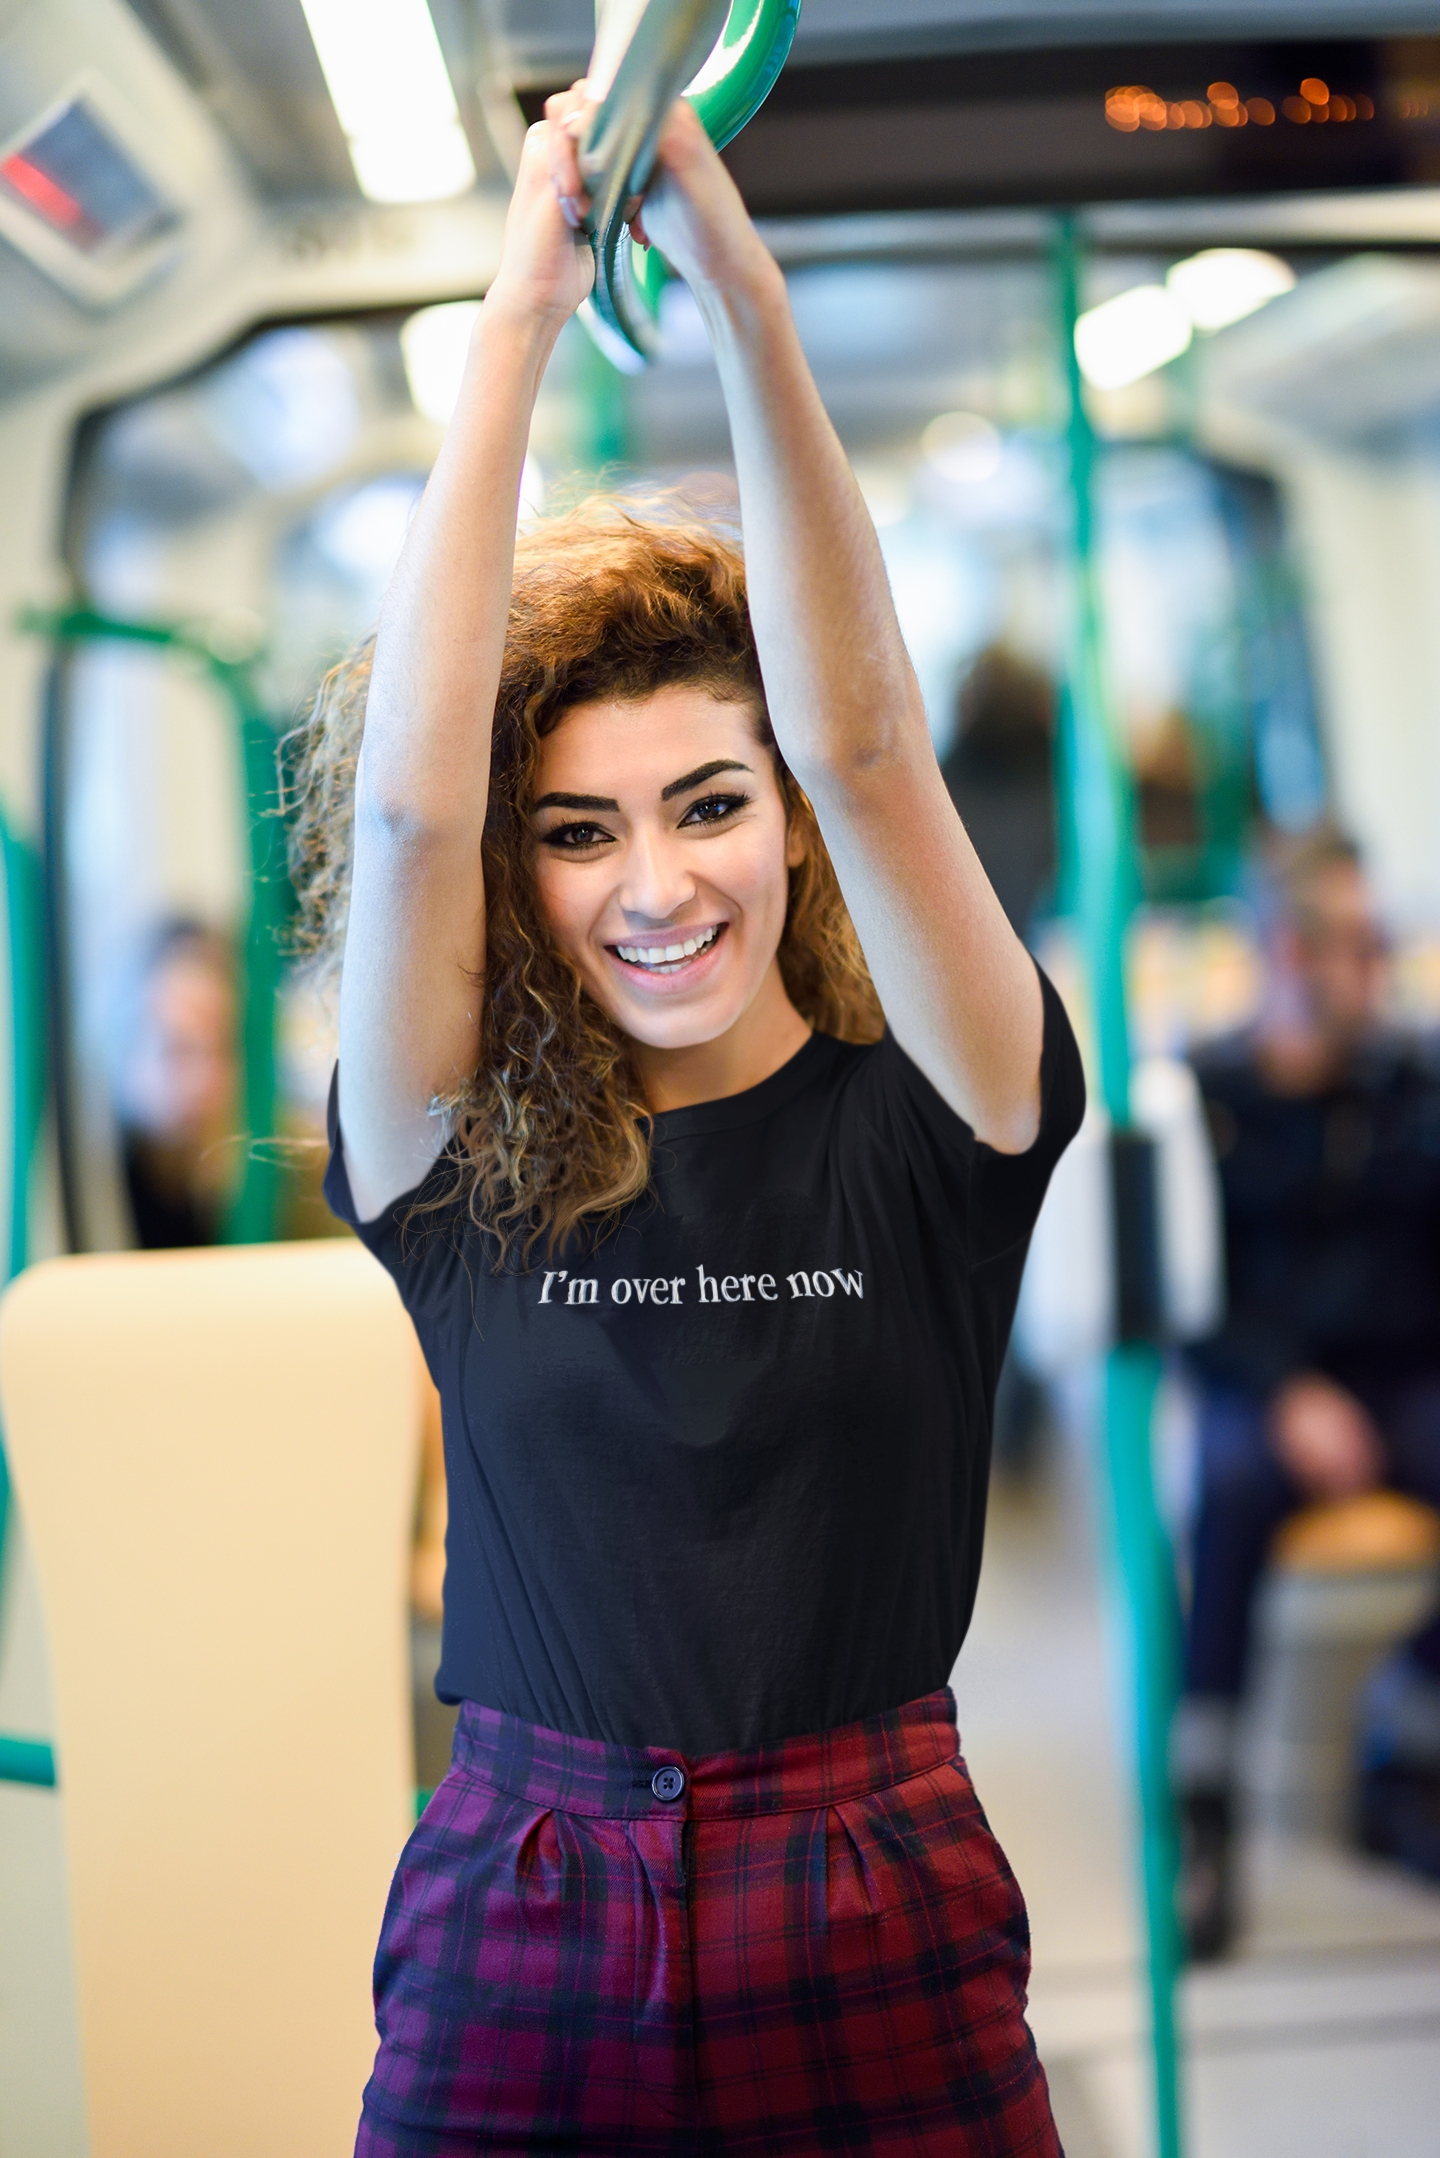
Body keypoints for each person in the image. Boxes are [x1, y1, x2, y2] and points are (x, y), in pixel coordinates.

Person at [293, 88, 1083, 2154]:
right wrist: (516, 316)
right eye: (579, 831)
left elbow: (875, 742)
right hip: (524, 1895)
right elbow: (411, 811)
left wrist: (744, 295)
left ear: (788, 821)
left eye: (711, 803)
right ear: (522, 870)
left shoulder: (942, 1115)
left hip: (874, 1884)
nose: (657, 886)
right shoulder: (455, 1169)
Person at [1177, 828, 1440, 1959]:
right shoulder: (1201, 1098)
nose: (1376, 968)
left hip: (1401, 1374)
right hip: (1262, 1385)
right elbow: (1189, 1297)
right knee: (1230, 1487)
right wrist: (1289, 1393)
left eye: (1380, 942)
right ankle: (1205, 1809)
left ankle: (1408, 1767)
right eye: (1354, 943)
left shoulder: (1409, 1082)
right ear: (1286, 951)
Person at [112, 918, 239, 1247]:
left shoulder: (267, 1183)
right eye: (177, 1051)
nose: (203, 1080)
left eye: (223, 1049)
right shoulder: (97, 1183)